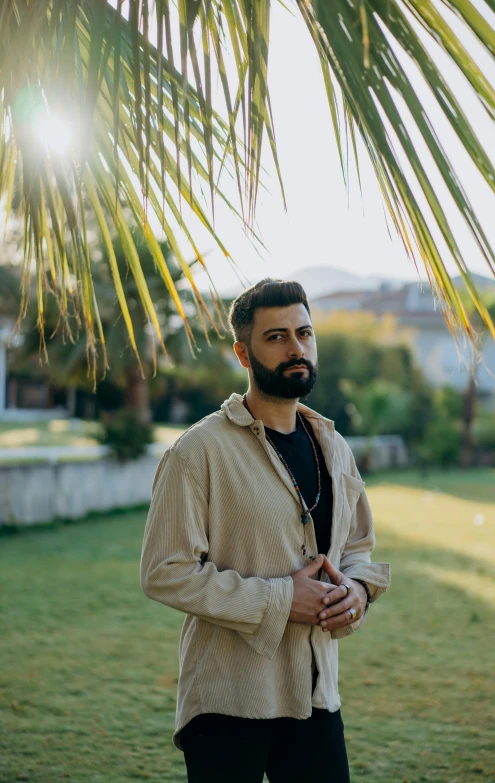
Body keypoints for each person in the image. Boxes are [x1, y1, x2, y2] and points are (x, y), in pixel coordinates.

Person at [140, 278, 391, 782]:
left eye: (304, 333)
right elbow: (165, 571)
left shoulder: (333, 446)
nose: (296, 348)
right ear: (243, 352)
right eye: (276, 337)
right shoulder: (197, 451)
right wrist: (281, 599)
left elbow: (359, 546)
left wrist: (359, 591)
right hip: (229, 701)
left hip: (318, 696)